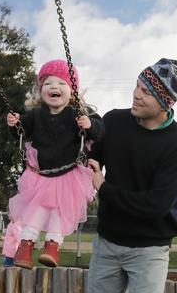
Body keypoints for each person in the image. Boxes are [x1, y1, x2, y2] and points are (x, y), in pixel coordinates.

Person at [86, 58, 177, 293]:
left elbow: (155, 205)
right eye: (137, 86)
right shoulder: (113, 121)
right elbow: (89, 160)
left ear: (167, 102)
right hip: (108, 242)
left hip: (150, 249)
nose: (136, 94)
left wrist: (104, 188)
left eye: (146, 91)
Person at [6, 59, 104, 269]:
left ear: (72, 91)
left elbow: (99, 129)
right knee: (36, 210)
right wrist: (15, 124)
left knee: (60, 211)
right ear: (41, 90)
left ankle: (52, 248)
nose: (54, 87)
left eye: (61, 83)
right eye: (48, 83)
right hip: (40, 176)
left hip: (68, 175)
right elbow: (21, 131)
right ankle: (25, 247)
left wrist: (90, 124)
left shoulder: (78, 114)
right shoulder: (35, 116)